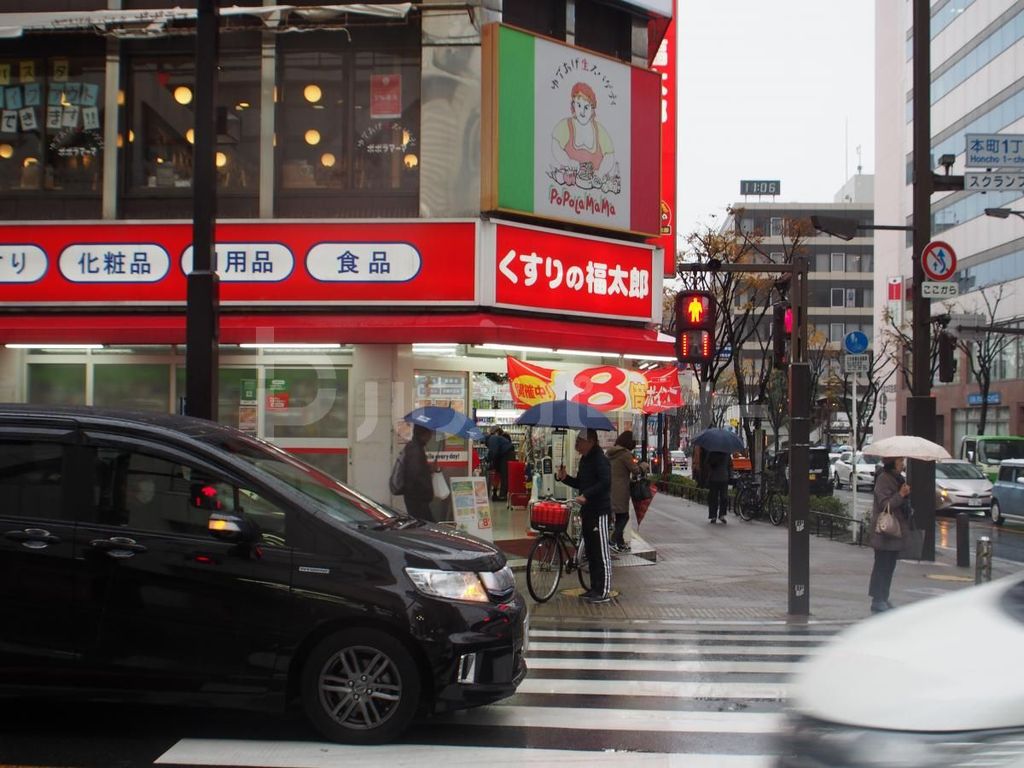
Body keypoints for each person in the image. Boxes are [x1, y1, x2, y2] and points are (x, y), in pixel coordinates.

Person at [557, 429, 612, 604]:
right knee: (591, 552)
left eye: (579, 440)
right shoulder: (585, 460)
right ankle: (593, 588)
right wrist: (566, 478)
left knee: (601, 552)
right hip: (587, 511)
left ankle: (603, 590)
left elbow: (605, 482)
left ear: (590, 441)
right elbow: (581, 483)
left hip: (599, 512)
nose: (576, 444)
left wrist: (587, 495)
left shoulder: (600, 459)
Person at [867, 456, 911, 613]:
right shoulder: (884, 479)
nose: (903, 464)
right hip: (885, 532)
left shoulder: (898, 478)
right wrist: (901, 494)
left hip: (895, 532)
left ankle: (884, 597)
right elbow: (885, 504)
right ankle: (877, 599)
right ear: (892, 462)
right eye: (900, 461)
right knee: (882, 565)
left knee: (889, 565)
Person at [606, 430, 639, 553]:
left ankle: (620, 543)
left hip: (609, 488)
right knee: (624, 516)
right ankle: (613, 540)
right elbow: (635, 470)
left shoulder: (610, 452)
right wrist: (644, 466)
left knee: (619, 516)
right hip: (620, 490)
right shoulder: (625, 454)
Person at [402, 424, 435, 521]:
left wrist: (427, 469)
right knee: (426, 525)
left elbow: (416, 469)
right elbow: (416, 474)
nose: (430, 437)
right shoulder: (416, 450)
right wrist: (427, 493)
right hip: (417, 498)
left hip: (414, 497)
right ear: (424, 434)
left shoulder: (413, 446)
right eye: (430, 434)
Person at [486, 427, 515, 501]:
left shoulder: (492, 439)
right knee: (501, 474)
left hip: (507, 455)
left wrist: (488, 459)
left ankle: (503, 496)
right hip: (504, 455)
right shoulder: (494, 438)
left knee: (504, 475)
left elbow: (494, 451)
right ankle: (499, 494)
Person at [706, 450, 731, 524]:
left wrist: (729, 475)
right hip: (714, 478)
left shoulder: (727, 453)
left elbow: (730, 465)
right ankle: (713, 516)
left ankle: (721, 515)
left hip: (724, 478)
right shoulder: (712, 453)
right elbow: (708, 463)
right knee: (714, 497)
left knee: (724, 498)